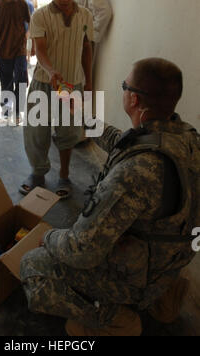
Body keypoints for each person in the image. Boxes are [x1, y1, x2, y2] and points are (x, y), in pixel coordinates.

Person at [20, 58, 200, 336]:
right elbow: (123, 140)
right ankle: (166, 295)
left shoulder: (135, 173)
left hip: (139, 273)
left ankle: (113, 319)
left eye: (124, 85)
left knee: (33, 265)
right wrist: (81, 114)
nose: (123, 90)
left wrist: (50, 238)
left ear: (133, 98)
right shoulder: (184, 136)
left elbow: (82, 250)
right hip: (173, 257)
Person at [19, 0, 93, 198]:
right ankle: (38, 173)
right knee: (36, 131)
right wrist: (51, 71)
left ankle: (64, 175)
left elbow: (86, 48)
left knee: (68, 132)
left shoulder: (85, 16)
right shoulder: (40, 16)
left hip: (72, 85)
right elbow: (39, 50)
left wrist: (88, 81)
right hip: (44, 82)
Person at [15, 0, 35, 66]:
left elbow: (31, 19)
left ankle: (27, 61)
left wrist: (29, 30)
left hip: (26, 29)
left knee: (27, 45)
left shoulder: (29, 4)